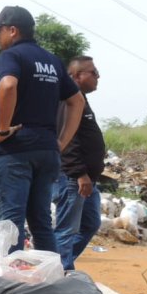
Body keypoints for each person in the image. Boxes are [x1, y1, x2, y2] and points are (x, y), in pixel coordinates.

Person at [0, 6, 85, 253]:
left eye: (0, 31)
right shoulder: (52, 61)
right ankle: (50, 281)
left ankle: (11, 286)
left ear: (13, 30)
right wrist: (60, 142)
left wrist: (4, 130)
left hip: (17, 151)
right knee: (41, 223)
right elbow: (77, 101)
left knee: (11, 223)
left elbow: (8, 85)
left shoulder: (12, 56)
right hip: (48, 152)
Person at [53, 56, 107, 270]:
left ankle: (55, 265)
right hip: (73, 178)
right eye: (93, 72)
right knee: (67, 229)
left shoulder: (80, 99)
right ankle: (60, 272)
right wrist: (79, 174)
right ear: (76, 76)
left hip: (87, 179)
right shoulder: (68, 100)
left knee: (90, 224)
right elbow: (67, 139)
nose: (98, 77)